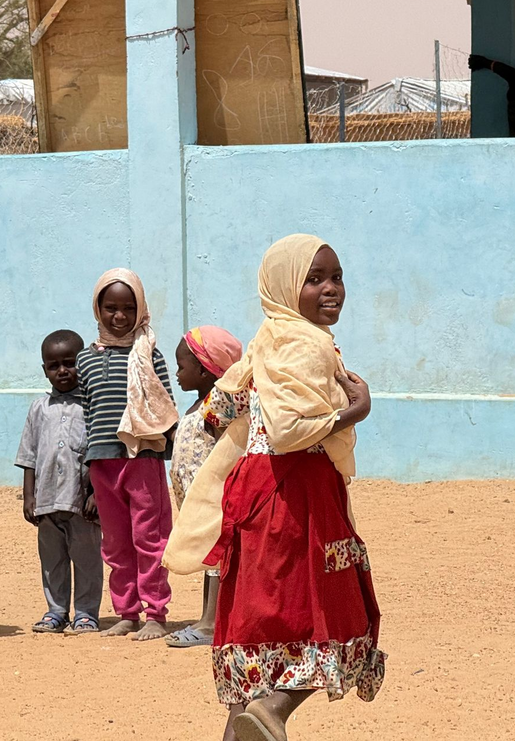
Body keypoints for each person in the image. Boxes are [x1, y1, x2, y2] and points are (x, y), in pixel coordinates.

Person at [163, 235, 385, 741]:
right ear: (284, 287)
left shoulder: (267, 339)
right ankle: (274, 711)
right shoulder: (308, 343)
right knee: (335, 616)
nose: (331, 289)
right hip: (298, 492)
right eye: (314, 279)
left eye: (337, 277)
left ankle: (250, 722)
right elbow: (289, 431)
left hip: (254, 492)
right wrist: (356, 410)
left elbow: (218, 411)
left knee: (257, 629)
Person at [77, 269, 179, 642]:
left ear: (140, 310)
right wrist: (88, 473)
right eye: (110, 308)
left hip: (143, 460)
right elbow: (87, 414)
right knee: (116, 542)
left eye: (128, 308)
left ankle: (155, 612)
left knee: (149, 538)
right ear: (97, 309)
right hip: (102, 462)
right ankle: (127, 612)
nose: (119, 316)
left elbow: (165, 406)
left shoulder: (149, 354)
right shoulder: (85, 360)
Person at [16, 329, 103, 635]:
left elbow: (102, 453)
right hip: (46, 500)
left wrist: (97, 494)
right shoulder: (39, 409)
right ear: (45, 370)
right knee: (52, 560)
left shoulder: (93, 406)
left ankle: (86, 613)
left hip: (82, 503)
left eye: (70, 363)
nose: (62, 370)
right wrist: (29, 497)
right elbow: (28, 456)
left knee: (87, 559)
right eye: (54, 366)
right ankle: (56, 611)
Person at [163, 325, 242, 650]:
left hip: (213, 500)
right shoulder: (198, 406)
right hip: (196, 502)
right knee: (208, 560)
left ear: (204, 370)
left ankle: (211, 624)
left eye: (181, 366)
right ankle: (209, 619)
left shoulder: (216, 410)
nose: (177, 373)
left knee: (215, 560)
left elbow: (228, 451)